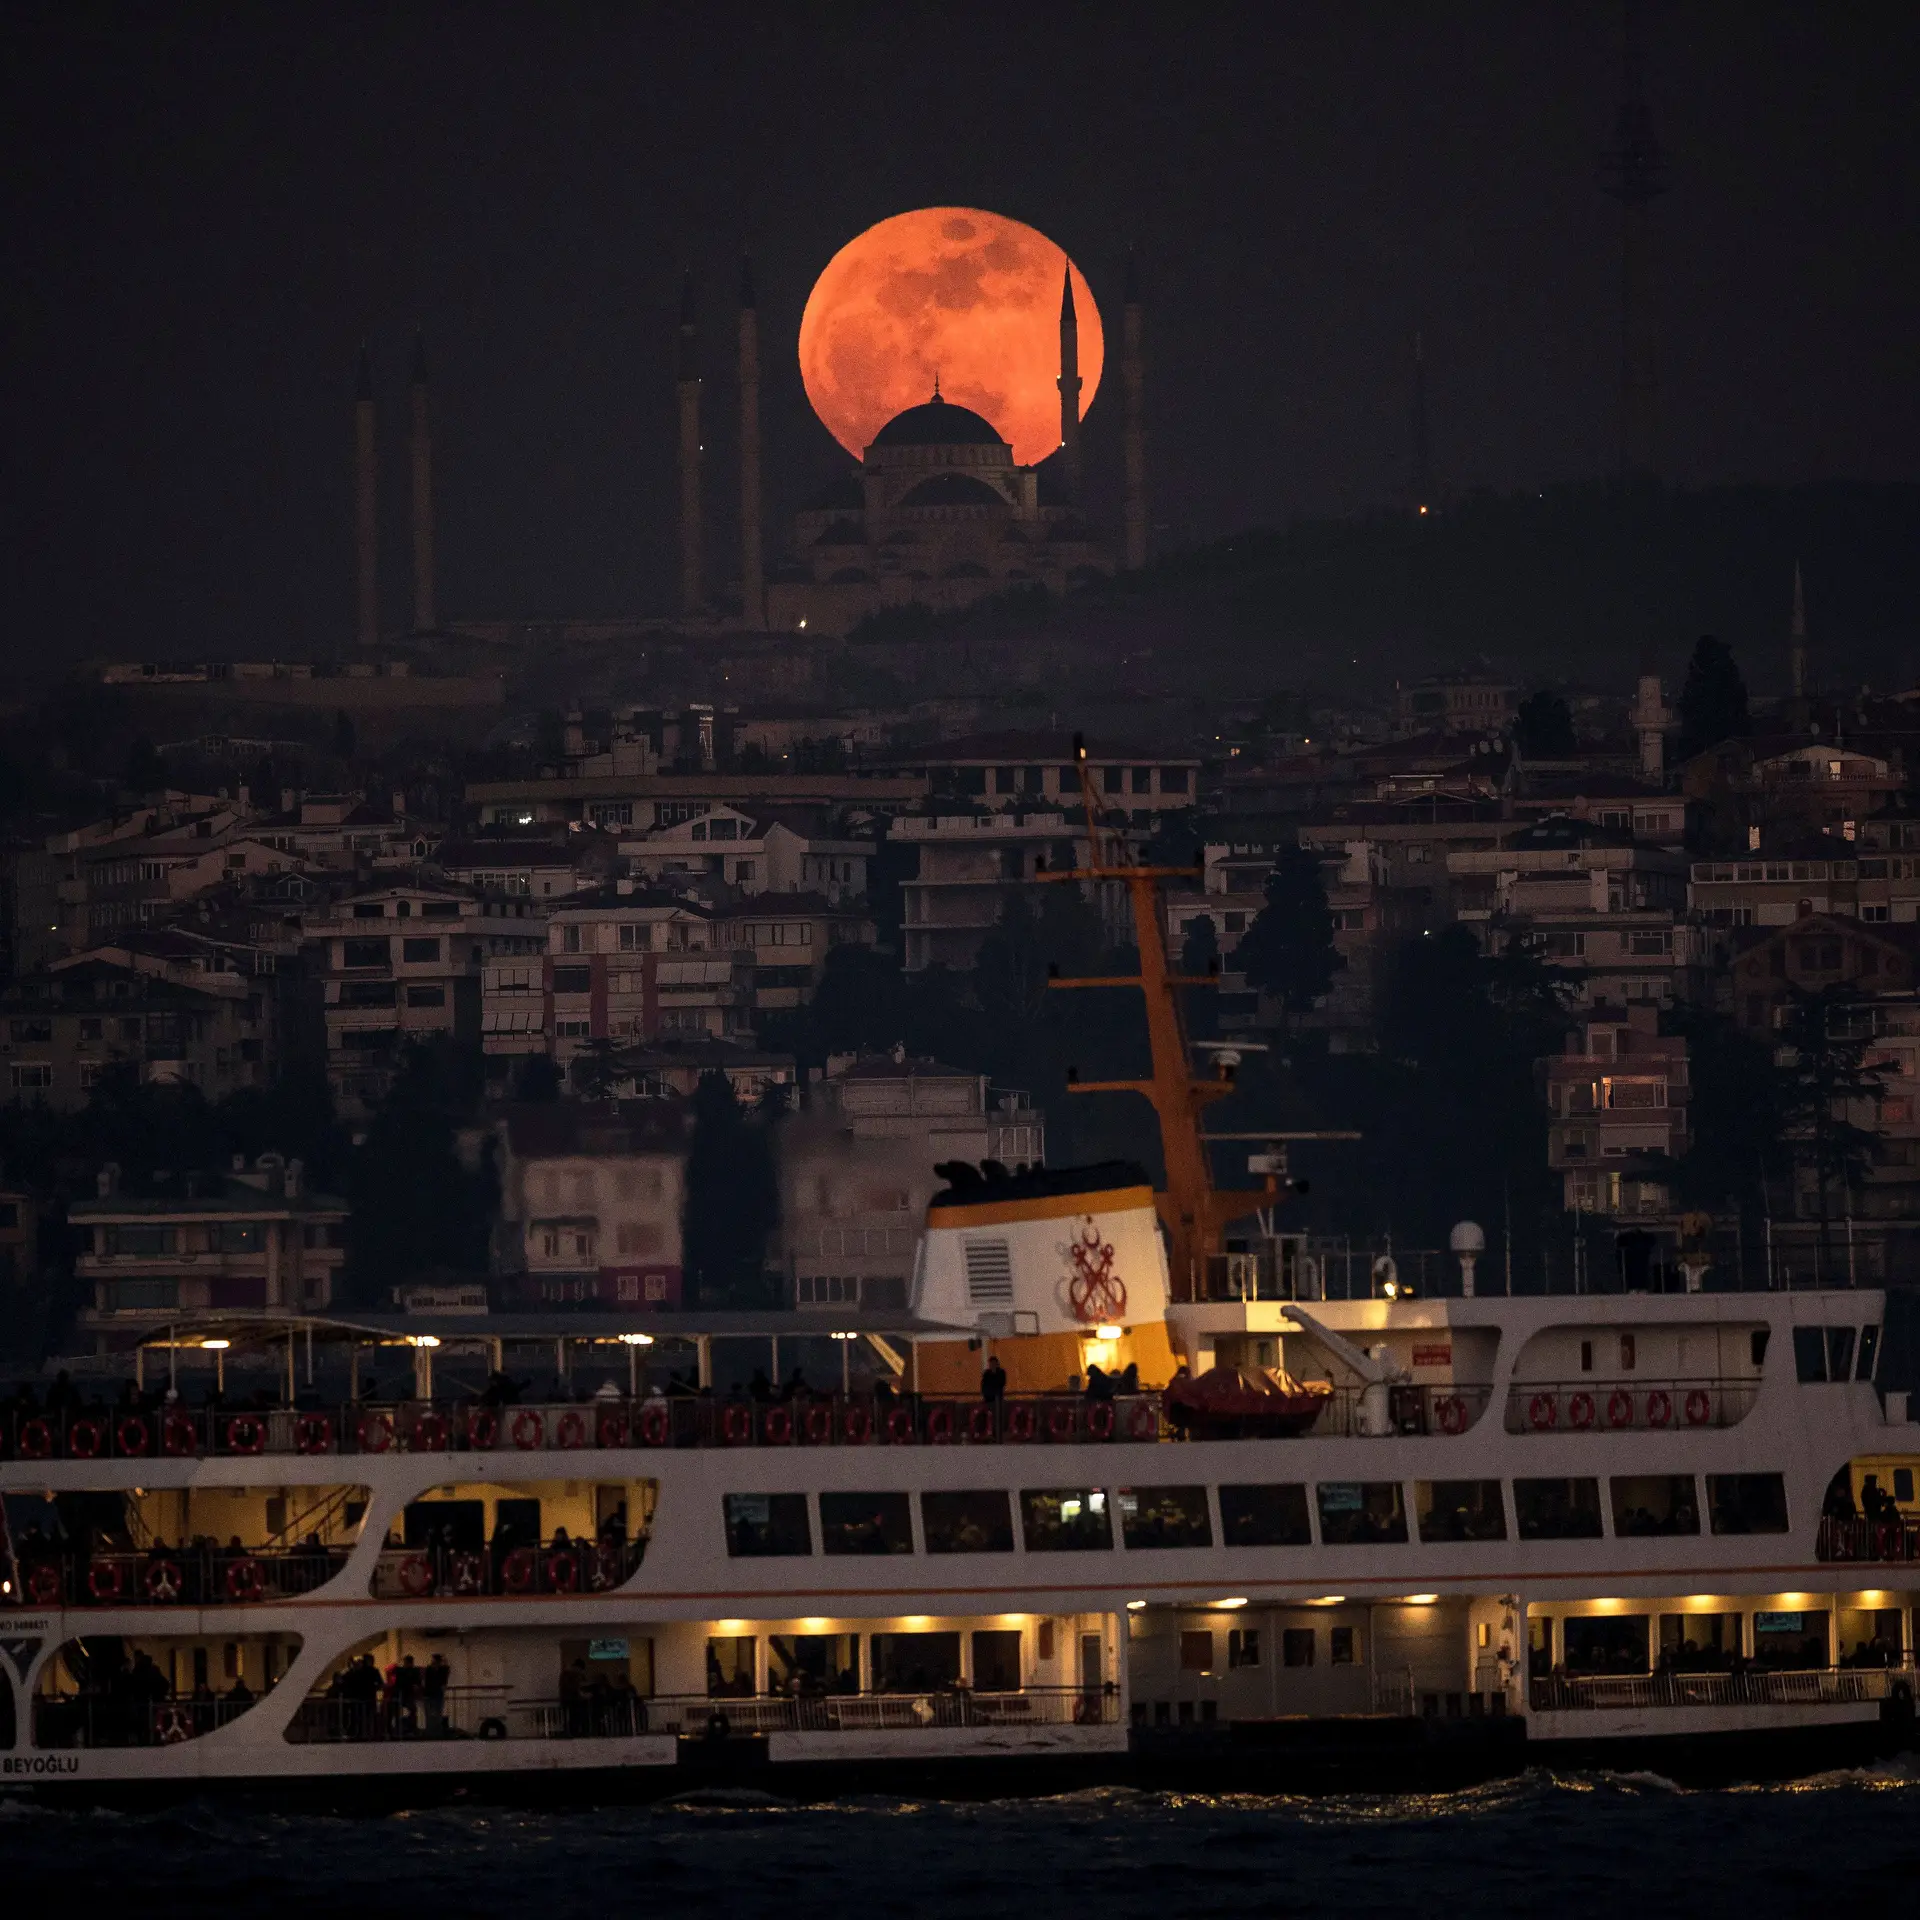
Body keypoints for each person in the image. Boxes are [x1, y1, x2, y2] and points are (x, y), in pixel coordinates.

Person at [424, 1653, 451, 1736]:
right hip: (430, 1693)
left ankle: (437, 1732)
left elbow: (447, 1668)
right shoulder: (429, 1669)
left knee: (437, 1713)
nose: (432, 1662)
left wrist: (444, 1659)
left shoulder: (442, 1669)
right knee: (430, 1714)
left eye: (434, 1660)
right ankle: (430, 1732)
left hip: (437, 1694)